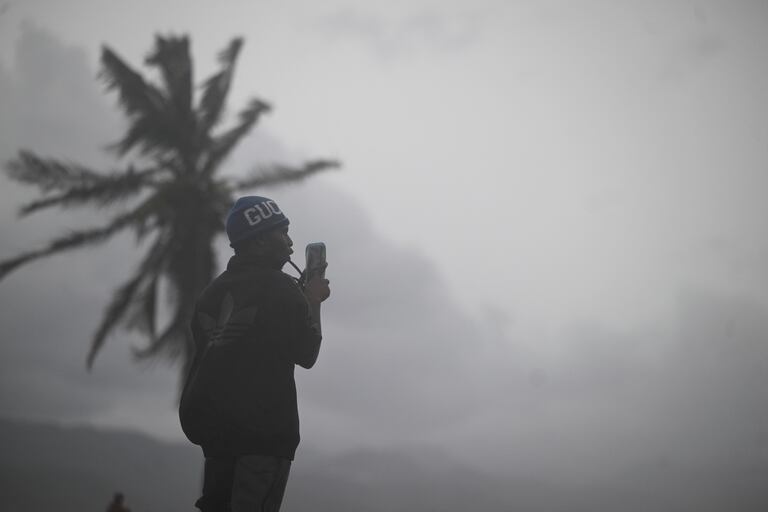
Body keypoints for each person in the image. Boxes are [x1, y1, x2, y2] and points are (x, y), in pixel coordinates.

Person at [179, 195, 330, 512]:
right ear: (260, 240)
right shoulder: (281, 289)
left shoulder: (211, 294)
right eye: (282, 232)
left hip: (216, 440)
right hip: (264, 440)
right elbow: (307, 352)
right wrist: (312, 300)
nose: (290, 242)